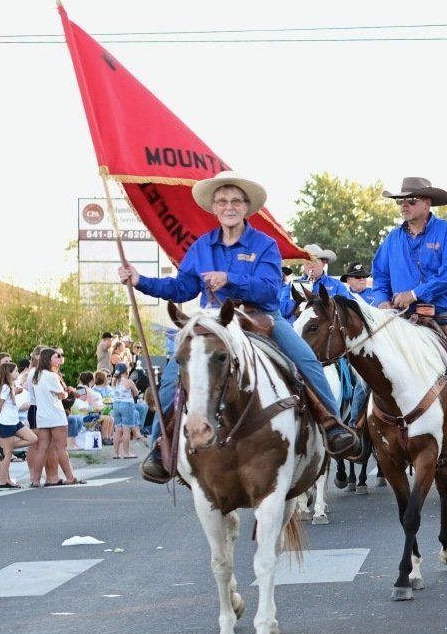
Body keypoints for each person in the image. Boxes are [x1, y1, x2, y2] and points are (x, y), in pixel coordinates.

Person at [120, 172, 363, 483]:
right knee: (172, 377)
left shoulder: (265, 245)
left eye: (236, 201)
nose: (229, 207)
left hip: (261, 318)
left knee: (306, 360)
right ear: (214, 208)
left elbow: (268, 288)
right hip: (213, 322)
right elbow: (181, 288)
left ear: (247, 207)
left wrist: (229, 279)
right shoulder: (201, 247)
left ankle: (332, 425)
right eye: (222, 201)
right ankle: (162, 447)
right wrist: (140, 280)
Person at [366, 177, 447, 366]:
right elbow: (380, 275)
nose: (404, 205)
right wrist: (382, 302)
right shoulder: (392, 238)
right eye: (400, 201)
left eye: (412, 201)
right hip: (401, 318)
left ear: (427, 205)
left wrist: (414, 294)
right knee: (364, 367)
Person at [26, 346, 80, 486]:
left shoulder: (36, 375)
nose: (59, 359)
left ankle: (35, 479)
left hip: (42, 415)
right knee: (61, 447)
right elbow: (61, 394)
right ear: (48, 360)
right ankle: (70, 477)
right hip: (55, 415)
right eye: (56, 357)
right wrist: (68, 393)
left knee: (42, 448)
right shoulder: (51, 376)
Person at [0, 358, 29, 488]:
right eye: (16, 371)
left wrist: (16, 391)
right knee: (7, 454)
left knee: (32, 438)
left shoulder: (9, 387)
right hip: (5, 422)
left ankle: (5, 447)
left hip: (13, 421)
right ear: (9, 373)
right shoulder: (5, 388)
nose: (18, 373)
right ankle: (3, 481)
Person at [281, 243, 351, 316]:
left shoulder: (337, 285)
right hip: (296, 322)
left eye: (314, 261)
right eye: (307, 262)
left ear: (323, 263)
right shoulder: (293, 284)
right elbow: (282, 310)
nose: (310, 265)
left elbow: (345, 309)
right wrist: (299, 299)